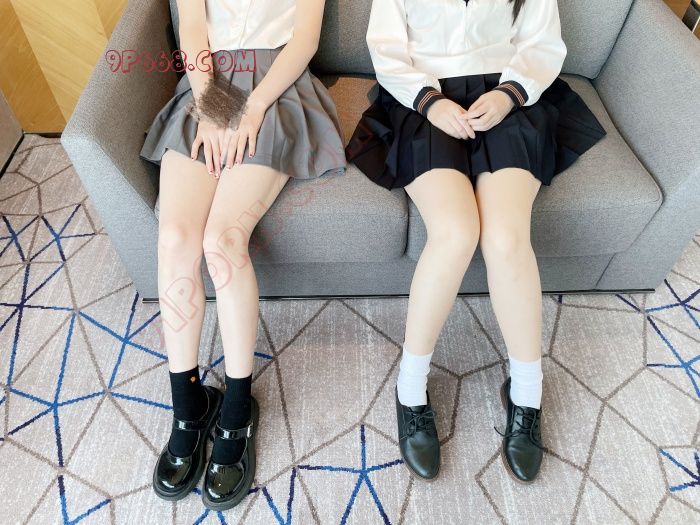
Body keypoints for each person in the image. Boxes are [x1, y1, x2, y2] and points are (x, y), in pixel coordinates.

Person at [346, 0, 605, 483]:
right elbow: (385, 48)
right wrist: (431, 102)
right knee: (455, 233)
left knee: (506, 238)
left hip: (506, 97)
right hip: (423, 100)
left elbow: (541, 40)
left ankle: (526, 394)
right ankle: (410, 389)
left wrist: (509, 94)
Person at [139, 0, 345, 510]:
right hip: (210, 83)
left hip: (276, 86)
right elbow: (192, 25)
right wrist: (211, 104)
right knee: (175, 238)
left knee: (222, 241)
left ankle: (237, 406)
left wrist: (252, 109)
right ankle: (188, 403)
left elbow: (305, 39)